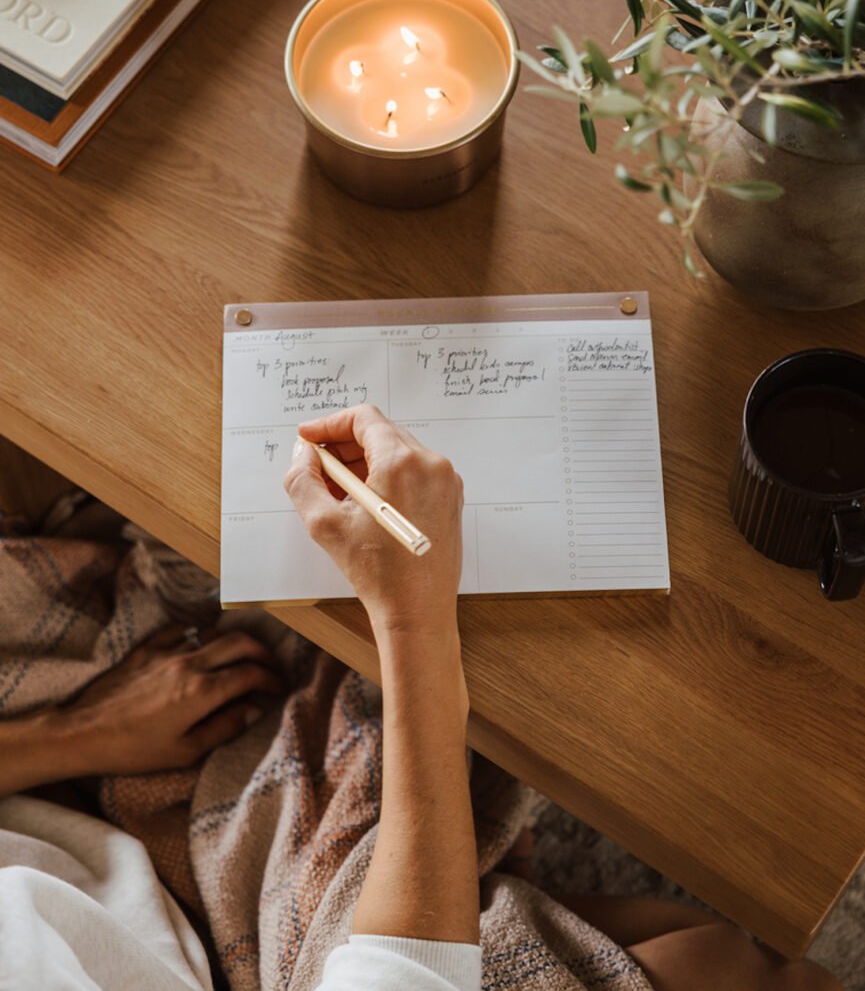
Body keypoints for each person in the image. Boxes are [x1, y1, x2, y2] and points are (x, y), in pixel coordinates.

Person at [0, 410, 845, 991]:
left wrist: (74, 734)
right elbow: (407, 969)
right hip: (238, 948)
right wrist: (411, 612)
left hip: (53, 827)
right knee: (732, 964)